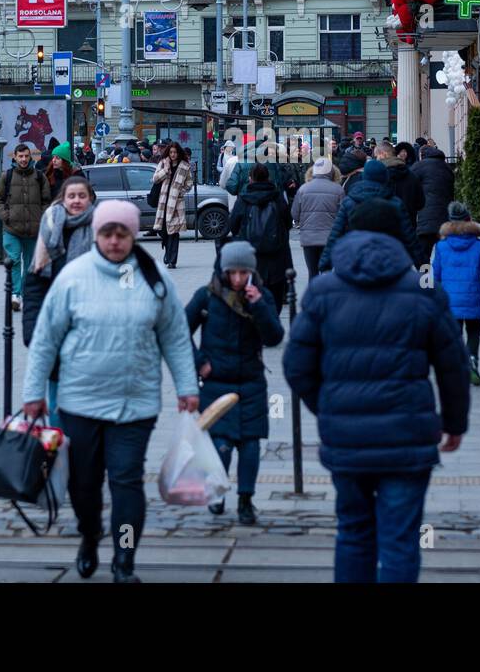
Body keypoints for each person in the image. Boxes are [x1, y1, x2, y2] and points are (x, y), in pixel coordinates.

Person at [283, 198, 470, 583]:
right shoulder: (423, 289)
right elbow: (453, 364)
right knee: (400, 540)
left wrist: (330, 408)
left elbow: (295, 365)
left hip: (347, 438)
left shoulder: (323, 289)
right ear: (397, 235)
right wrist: (454, 422)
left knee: (353, 532)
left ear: (349, 230)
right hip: (408, 436)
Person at [22, 199, 199, 583]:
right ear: (97, 235)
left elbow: (175, 337)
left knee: (126, 483)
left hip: (134, 405)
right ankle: (89, 536)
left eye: (122, 234)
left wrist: (187, 386)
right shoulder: (73, 277)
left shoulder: (153, 278)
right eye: (107, 233)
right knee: (83, 485)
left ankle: (124, 557)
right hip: (79, 402)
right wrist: (34, 393)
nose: (115, 241)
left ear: (133, 235)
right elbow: (45, 340)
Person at [185, 241, 285, 525]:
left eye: (244, 273)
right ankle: (216, 491)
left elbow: (275, 337)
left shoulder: (260, 296)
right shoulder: (206, 296)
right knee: (222, 445)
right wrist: (199, 362)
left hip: (252, 382)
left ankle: (245, 500)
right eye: (233, 273)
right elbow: (180, 331)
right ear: (223, 271)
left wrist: (260, 306)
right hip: (217, 383)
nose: (238, 279)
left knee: (251, 445)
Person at [22, 175, 98, 422]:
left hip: (90, 327)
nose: (76, 201)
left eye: (81, 196)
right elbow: (35, 283)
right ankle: (59, 446)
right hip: (56, 326)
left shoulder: (101, 229)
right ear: (63, 199)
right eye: (71, 196)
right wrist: (31, 329)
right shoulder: (51, 223)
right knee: (56, 398)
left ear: (90, 199)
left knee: (88, 398)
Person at [432, 201, 480, 386]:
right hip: (472, 297)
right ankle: (472, 362)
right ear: (469, 220)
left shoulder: (441, 246)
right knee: (473, 330)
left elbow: (436, 274)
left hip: (450, 300)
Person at [320, 158, 424, 272]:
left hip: (356, 258)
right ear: (385, 177)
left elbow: (336, 233)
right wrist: (424, 266)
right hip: (388, 260)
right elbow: (410, 237)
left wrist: (325, 264)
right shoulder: (395, 203)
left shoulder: (350, 201)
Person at [226, 162, 293, 309]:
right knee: (275, 302)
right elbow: (288, 223)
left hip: (250, 257)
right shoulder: (277, 198)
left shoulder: (243, 199)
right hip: (276, 257)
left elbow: (233, 226)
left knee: (251, 300)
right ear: (268, 178)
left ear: (250, 179)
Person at [0, 143, 50, 311]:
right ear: (15, 157)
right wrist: (6, 216)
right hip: (12, 229)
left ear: (30, 157)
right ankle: (15, 294)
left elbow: (47, 201)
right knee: (15, 260)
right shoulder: (7, 176)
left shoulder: (40, 177)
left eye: (26, 156)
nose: (24, 159)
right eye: (20, 156)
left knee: (31, 264)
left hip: (34, 229)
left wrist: (42, 217)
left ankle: (26, 294)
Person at [290, 157, 345, 278]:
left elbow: (294, 214)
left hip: (309, 238)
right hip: (330, 238)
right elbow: (343, 215)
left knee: (312, 273)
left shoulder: (303, 189)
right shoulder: (338, 190)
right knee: (328, 272)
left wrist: (301, 222)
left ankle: (313, 295)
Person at [152, 141, 192, 269]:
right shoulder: (163, 163)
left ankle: (172, 260)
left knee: (174, 233)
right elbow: (155, 178)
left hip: (176, 203)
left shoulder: (185, 166)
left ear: (179, 153)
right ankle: (167, 253)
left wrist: (181, 191)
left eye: (175, 152)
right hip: (163, 202)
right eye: (171, 152)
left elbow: (189, 183)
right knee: (163, 231)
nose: (173, 154)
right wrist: (166, 170)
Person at [413, 142, 455, 261]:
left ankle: (424, 278)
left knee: (423, 256)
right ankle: (440, 279)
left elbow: (411, 186)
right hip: (445, 220)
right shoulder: (446, 167)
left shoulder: (419, 166)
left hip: (425, 219)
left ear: (421, 154)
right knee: (443, 256)